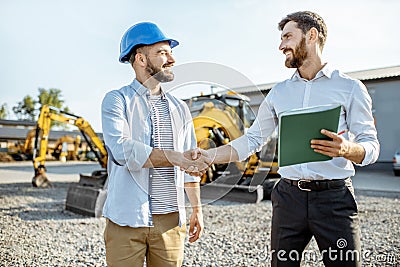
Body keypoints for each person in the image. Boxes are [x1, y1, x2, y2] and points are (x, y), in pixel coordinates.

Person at [192, 11, 379, 266]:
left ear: (311, 35)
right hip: (289, 198)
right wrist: (210, 155)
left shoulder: (350, 88)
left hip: (334, 199)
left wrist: (347, 149)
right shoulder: (279, 93)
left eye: (287, 37)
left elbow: (371, 145)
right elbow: (252, 140)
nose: (281, 46)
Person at [101, 22, 210, 267]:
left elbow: (189, 161)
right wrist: (175, 157)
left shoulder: (180, 108)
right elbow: (121, 150)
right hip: (126, 221)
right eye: (162, 52)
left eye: (170, 52)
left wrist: (197, 209)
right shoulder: (117, 101)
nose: (171, 59)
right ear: (140, 58)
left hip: (170, 223)